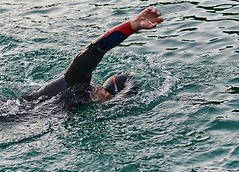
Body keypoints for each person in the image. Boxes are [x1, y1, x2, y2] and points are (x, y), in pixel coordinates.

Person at [23, 6, 164, 106]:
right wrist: (133, 26)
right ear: (104, 94)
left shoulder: (82, 97)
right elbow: (96, 49)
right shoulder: (76, 82)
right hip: (9, 115)